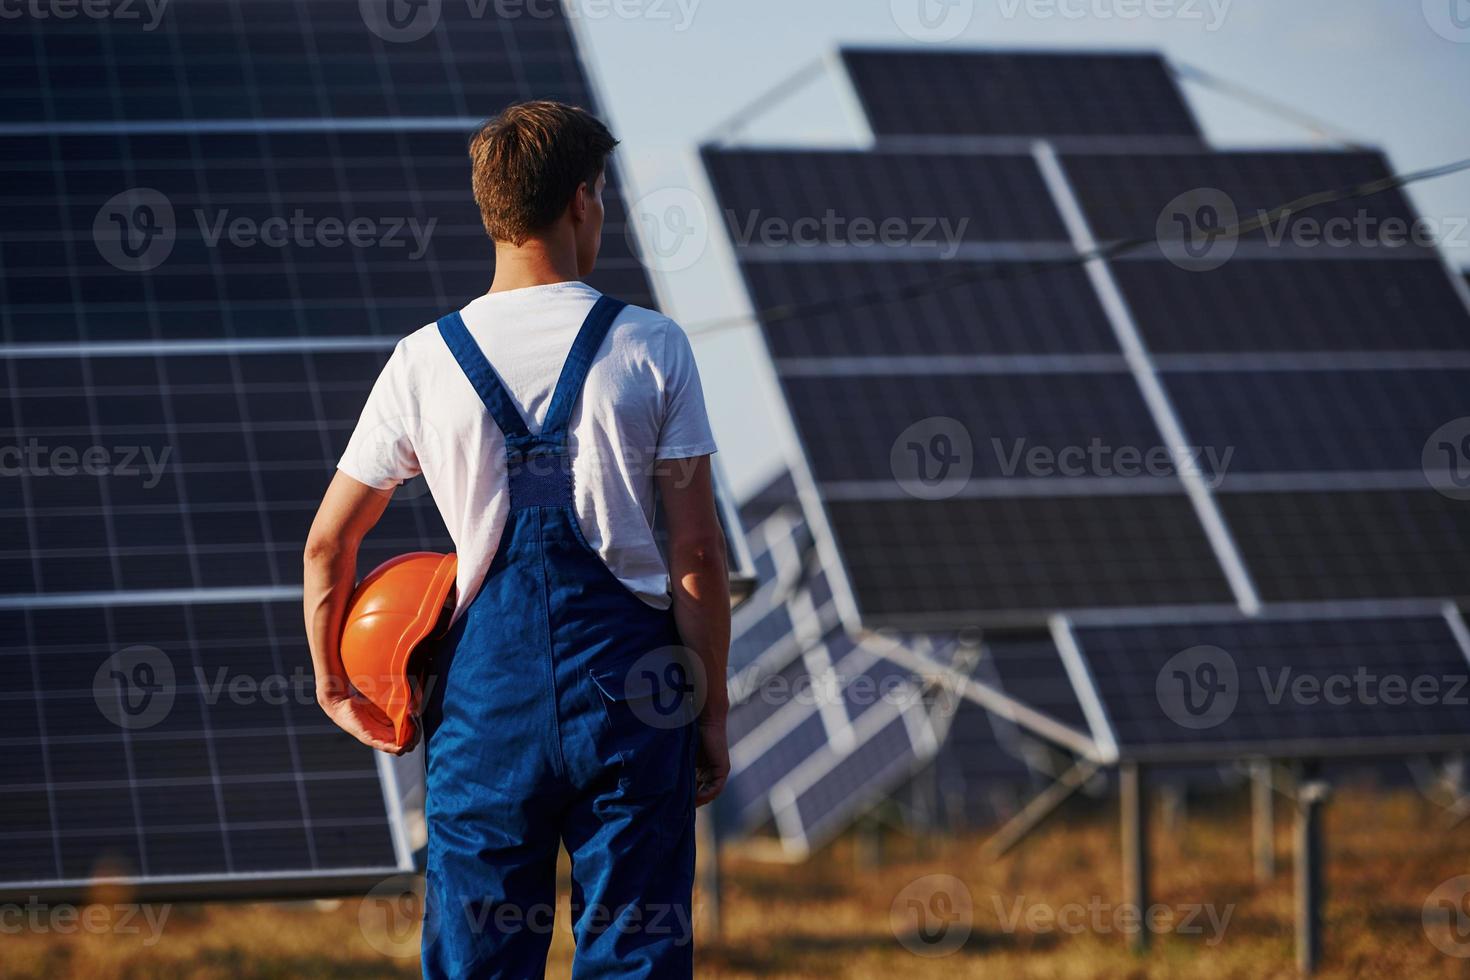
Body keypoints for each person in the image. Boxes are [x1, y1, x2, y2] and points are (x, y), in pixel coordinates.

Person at [303, 100, 730, 978]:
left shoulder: (422, 360)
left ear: (491, 208)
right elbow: (695, 554)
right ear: (581, 201)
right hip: (635, 696)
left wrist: (334, 683)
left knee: (477, 961)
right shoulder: (653, 347)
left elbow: (326, 547)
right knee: (635, 955)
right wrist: (710, 711)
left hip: (483, 709)